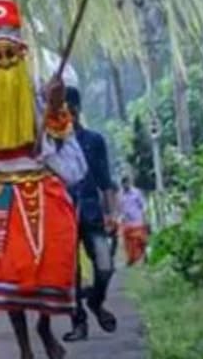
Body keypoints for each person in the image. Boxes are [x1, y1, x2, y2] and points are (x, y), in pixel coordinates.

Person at [0, 0, 87, 359]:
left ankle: (46, 329)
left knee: (55, 256)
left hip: (36, 182)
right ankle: (25, 345)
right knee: (3, 273)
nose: (2, 63)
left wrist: (55, 108)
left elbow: (61, 141)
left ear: (22, 53)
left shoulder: (37, 89)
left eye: (8, 56)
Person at [62, 86, 119, 343]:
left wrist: (112, 214)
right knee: (68, 274)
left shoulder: (94, 141)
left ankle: (96, 302)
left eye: (69, 109)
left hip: (92, 214)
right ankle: (79, 322)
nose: (66, 115)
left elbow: (106, 181)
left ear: (76, 110)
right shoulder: (51, 146)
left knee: (105, 265)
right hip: (62, 217)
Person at [119, 176, 149, 266]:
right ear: (122, 184)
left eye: (127, 183)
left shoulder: (136, 192)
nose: (126, 185)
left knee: (141, 240)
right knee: (128, 242)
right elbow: (120, 207)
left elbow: (143, 205)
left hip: (138, 220)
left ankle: (144, 256)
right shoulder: (120, 195)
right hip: (127, 222)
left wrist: (145, 217)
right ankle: (130, 259)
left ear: (130, 183)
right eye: (124, 183)